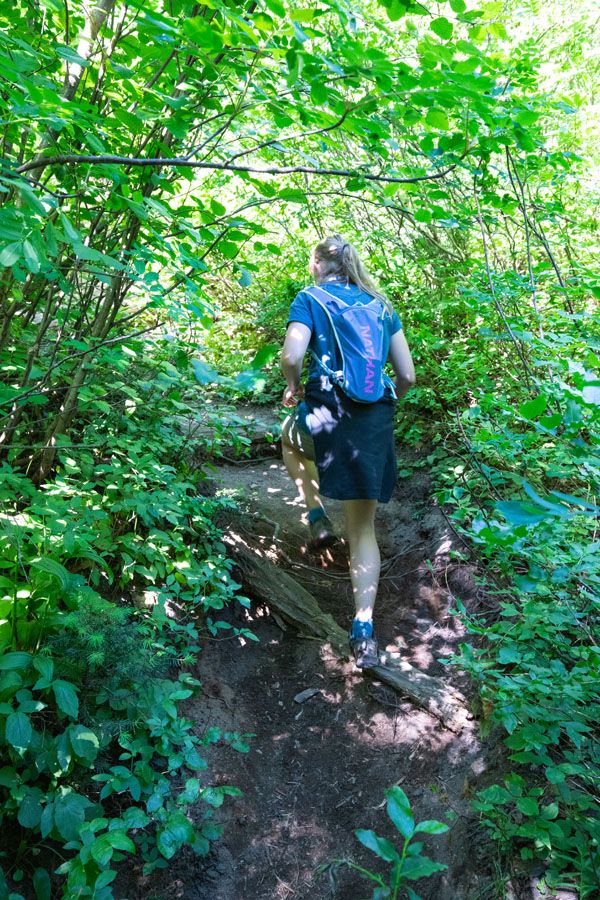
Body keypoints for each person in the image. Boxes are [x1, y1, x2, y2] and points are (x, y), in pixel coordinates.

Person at [280, 234, 416, 669]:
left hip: (324, 418)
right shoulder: (381, 305)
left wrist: (293, 386)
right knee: (363, 529)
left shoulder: (310, 298)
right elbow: (408, 374)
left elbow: (291, 353)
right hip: (373, 420)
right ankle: (363, 629)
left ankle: (316, 515)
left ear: (318, 265)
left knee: (288, 438)